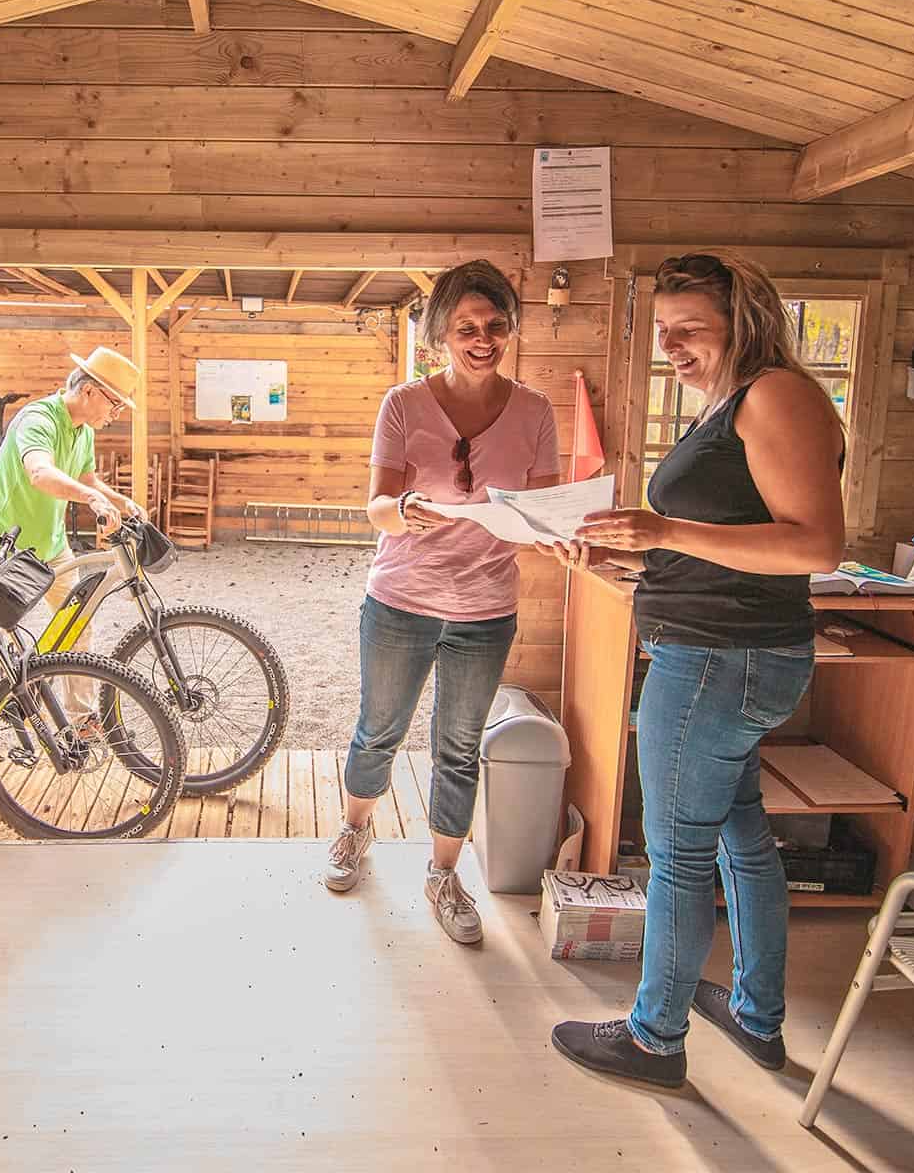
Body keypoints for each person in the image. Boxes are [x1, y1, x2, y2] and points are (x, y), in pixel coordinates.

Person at [546, 251, 845, 1087]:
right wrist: (613, 558)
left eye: (690, 330)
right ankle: (755, 1016)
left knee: (678, 854)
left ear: (742, 323)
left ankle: (655, 1039)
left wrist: (665, 531)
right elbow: (714, 554)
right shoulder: (730, 403)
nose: (671, 346)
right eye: (663, 331)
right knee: (742, 837)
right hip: (726, 655)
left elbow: (817, 545)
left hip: (720, 662)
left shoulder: (776, 395)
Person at [321, 259, 559, 944]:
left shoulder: (535, 411)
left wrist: (562, 535)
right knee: (379, 729)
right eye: (466, 328)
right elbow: (375, 507)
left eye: (495, 325)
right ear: (440, 336)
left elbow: (543, 514)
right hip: (400, 601)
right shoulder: (403, 404)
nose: (483, 339)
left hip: (486, 609)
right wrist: (403, 509)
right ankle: (354, 831)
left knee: (458, 747)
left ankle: (444, 874)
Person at [0, 347, 146, 707]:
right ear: (89, 391)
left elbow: (86, 479)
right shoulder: (39, 419)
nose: (116, 414)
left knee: (76, 625)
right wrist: (90, 498)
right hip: (2, 546)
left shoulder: (83, 431)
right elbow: (40, 472)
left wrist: (120, 501)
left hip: (50, 545)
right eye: (115, 404)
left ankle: (81, 718)